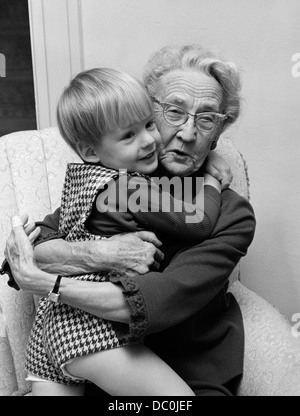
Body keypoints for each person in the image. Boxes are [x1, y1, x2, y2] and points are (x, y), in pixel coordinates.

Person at [5, 44, 256, 396]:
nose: (187, 133)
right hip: (93, 350)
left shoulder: (232, 214)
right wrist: (100, 253)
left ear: (218, 132)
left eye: (206, 119)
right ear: (149, 109)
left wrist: (51, 274)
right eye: (173, 112)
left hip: (185, 368)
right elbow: (24, 254)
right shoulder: (117, 179)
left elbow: (162, 299)